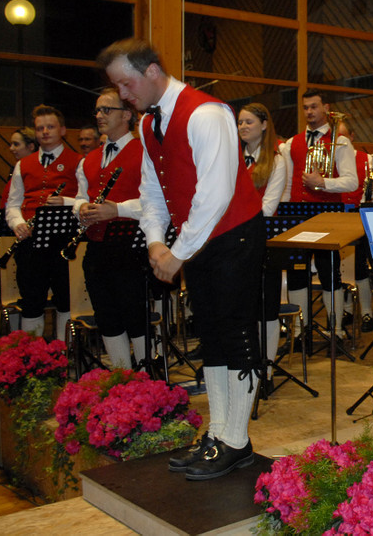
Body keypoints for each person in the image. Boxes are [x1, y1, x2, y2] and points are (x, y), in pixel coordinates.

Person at [101, 38, 264, 481]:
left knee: (236, 334)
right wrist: (155, 242)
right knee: (210, 335)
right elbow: (153, 191)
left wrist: (177, 253)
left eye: (126, 84)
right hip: (196, 238)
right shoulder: (148, 124)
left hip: (234, 235)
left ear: (152, 71)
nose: (122, 95)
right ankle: (219, 433)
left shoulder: (206, 113)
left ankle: (237, 440)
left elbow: (215, 194)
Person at [72, 89, 146, 369]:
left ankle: (146, 377)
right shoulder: (88, 159)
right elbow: (80, 196)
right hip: (97, 246)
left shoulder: (146, 153)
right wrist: (80, 209)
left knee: (134, 314)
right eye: (97, 110)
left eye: (106, 110)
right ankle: (121, 375)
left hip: (132, 246)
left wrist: (118, 210)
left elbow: (158, 202)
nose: (99, 115)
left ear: (127, 115)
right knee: (106, 315)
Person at [281, 89, 358, 337]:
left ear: (326, 108)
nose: (309, 112)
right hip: (297, 214)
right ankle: (299, 330)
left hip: (327, 215)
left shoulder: (341, 142)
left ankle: (335, 330)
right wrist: (283, 211)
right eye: (305, 107)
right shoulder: (291, 143)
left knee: (328, 272)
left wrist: (323, 183)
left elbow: (352, 182)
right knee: (296, 272)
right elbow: (287, 182)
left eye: (314, 106)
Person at [5, 105, 81, 339]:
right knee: (31, 299)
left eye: (50, 127)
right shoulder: (23, 164)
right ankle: (35, 353)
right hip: (30, 242)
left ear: (63, 130)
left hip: (64, 241)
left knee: (65, 298)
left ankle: (64, 351)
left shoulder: (79, 162)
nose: (45, 132)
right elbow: (13, 203)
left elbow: (86, 201)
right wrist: (17, 223)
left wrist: (66, 201)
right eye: (40, 128)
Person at [238, 103, 287, 371]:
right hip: (235, 241)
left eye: (249, 122)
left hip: (263, 241)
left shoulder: (276, 161)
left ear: (264, 125)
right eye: (240, 122)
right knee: (242, 305)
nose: (243, 127)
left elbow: (267, 207)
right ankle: (246, 361)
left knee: (266, 307)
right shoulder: (232, 158)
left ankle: (266, 367)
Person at [335, 118, 373, 333]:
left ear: (352, 137)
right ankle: (347, 310)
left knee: (359, 266)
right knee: (341, 268)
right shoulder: (330, 159)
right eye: (336, 137)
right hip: (337, 218)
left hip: (358, 217)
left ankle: (367, 312)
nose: (340, 140)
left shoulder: (367, 159)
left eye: (343, 136)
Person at [0, 128, 37, 258]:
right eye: (11, 144)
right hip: (11, 225)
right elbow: (8, 202)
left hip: (26, 230)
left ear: (31, 146)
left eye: (16, 144)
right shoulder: (15, 168)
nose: (11, 148)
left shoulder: (35, 171)